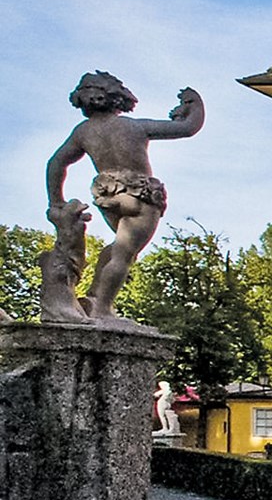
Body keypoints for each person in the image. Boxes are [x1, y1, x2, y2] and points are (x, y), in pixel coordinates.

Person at [44, 71, 203, 324]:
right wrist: (193, 102)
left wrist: (56, 201)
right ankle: (103, 309)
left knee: (119, 246)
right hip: (140, 195)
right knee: (124, 254)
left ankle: (94, 298)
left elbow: (56, 163)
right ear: (117, 98)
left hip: (108, 194)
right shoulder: (133, 126)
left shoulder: (83, 132)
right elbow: (187, 128)